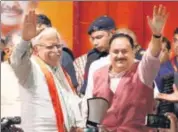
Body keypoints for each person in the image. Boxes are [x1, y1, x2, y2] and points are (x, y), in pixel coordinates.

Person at [81, 5, 169, 132]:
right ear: (109, 53)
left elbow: (152, 55)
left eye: (124, 51)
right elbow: (89, 106)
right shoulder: (97, 72)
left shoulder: (143, 71)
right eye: (115, 52)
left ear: (133, 52)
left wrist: (156, 35)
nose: (120, 55)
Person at [9, 10, 83, 132]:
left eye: (58, 46)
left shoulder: (60, 70)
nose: (57, 50)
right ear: (37, 48)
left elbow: (70, 99)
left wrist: (78, 123)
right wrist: (25, 40)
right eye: (50, 47)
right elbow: (17, 61)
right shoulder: (30, 68)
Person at [37, 13, 79, 89]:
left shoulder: (63, 55)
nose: (40, 36)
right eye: (36, 33)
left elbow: (72, 87)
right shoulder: (27, 57)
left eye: (43, 31)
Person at [78, 16, 116, 95]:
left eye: (99, 37)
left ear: (112, 33)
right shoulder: (93, 56)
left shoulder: (126, 54)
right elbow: (86, 88)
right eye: (93, 38)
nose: (95, 43)